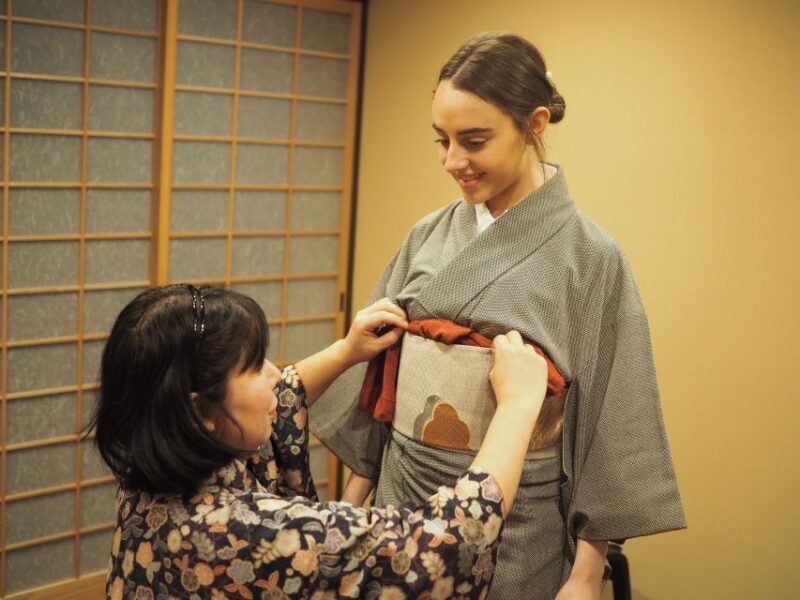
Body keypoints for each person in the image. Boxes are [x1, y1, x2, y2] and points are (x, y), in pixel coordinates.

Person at [309, 32, 686, 599]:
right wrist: (349, 511)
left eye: (474, 141)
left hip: (517, 523)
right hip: (400, 503)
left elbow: (612, 415)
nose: (453, 161)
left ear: (534, 123)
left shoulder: (591, 258)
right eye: (442, 141)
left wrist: (585, 574)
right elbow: (379, 381)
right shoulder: (427, 234)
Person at [90, 284, 550, 599]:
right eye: (255, 367)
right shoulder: (246, 533)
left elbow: (278, 397)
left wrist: (348, 350)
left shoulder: (147, 474)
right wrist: (517, 404)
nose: (276, 374)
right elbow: (448, 546)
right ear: (199, 412)